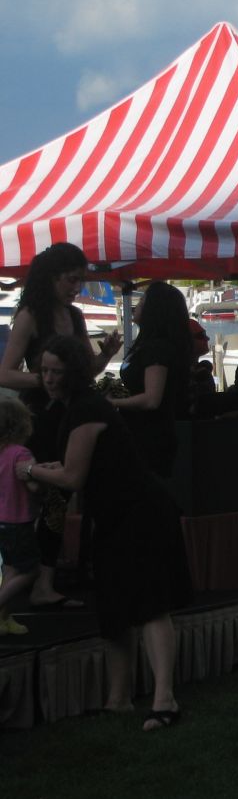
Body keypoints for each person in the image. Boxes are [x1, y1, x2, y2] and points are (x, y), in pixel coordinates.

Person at [27, 335, 190, 729]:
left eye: (56, 371)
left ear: (73, 372)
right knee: (114, 606)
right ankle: (117, 699)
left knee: (150, 604)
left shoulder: (87, 408)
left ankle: (165, 700)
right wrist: (47, 469)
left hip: (139, 513)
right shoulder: (76, 407)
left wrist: (28, 470)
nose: (48, 378)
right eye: (44, 370)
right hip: (114, 515)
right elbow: (78, 466)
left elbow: (73, 476)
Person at [0, 242, 121, 608]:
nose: (76, 288)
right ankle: (27, 580)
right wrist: (47, 380)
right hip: (38, 419)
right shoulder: (31, 316)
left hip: (69, 416)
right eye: (71, 280)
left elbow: (84, 372)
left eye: (80, 280)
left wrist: (105, 356)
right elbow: (5, 373)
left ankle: (43, 581)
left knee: (58, 499)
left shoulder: (75, 316)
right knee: (38, 498)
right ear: (51, 278)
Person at [109, 281, 192, 478]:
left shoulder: (157, 349)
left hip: (149, 437)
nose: (136, 306)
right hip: (139, 433)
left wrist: (112, 402)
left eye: (142, 301)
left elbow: (151, 399)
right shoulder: (147, 345)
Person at [0, 397, 39, 635]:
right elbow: (33, 485)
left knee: (11, 570)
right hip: (18, 522)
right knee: (30, 570)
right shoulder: (21, 454)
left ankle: (4, 618)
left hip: (2, 521)